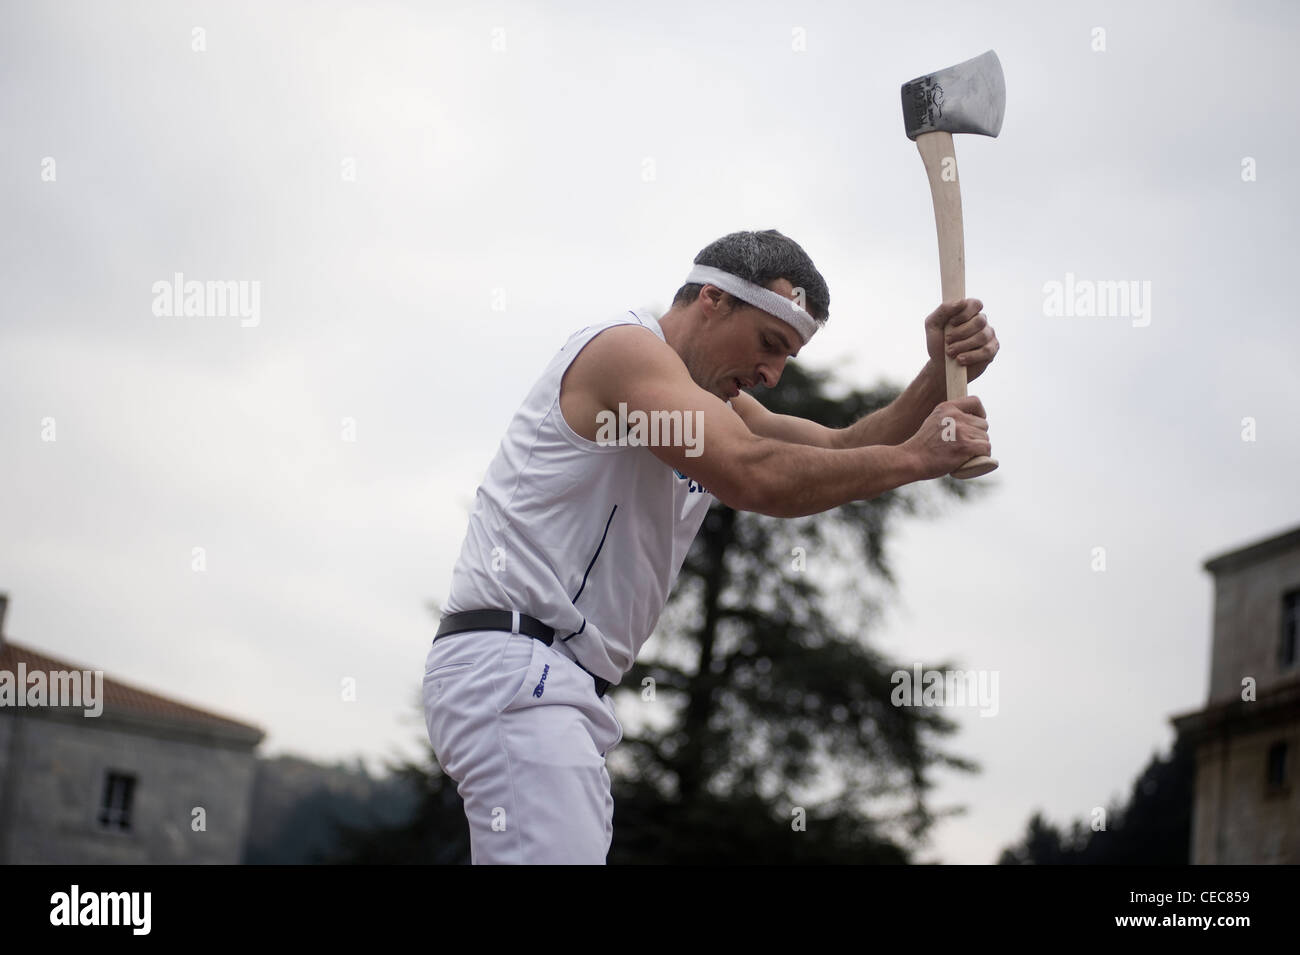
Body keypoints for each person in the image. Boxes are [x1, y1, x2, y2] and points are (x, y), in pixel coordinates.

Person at [422, 229, 998, 864]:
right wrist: (919, 459)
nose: (771, 375)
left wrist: (937, 370)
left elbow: (839, 450)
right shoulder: (625, 354)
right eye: (770, 344)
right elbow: (755, 475)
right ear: (712, 300)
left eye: (788, 360)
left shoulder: (715, 403)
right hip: (517, 664)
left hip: (551, 682)